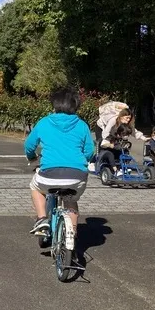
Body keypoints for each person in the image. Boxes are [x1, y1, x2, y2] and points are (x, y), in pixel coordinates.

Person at [24, 86, 95, 235]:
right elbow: (90, 151)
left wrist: (32, 158)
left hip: (49, 174)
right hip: (76, 176)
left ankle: (42, 219)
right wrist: (83, 160)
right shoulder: (82, 125)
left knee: (35, 188)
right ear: (75, 105)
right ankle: (72, 236)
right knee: (70, 201)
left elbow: (29, 145)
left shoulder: (44, 122)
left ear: (55, 104)